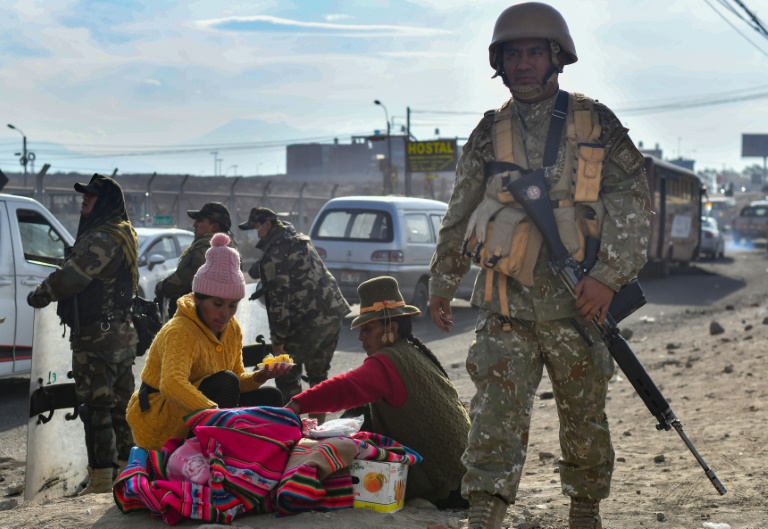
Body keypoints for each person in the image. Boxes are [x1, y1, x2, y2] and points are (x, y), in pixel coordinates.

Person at [427, 3, 651, 529]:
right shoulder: (488, 133)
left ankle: (585, 508)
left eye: (534, 52)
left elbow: (632, 200)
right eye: (512, 53)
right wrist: (442, 282)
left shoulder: (595, 121)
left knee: (584, 416)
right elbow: (459, 214)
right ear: (498, 63)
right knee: (494, 416)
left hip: (581, 304)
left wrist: (607, 277)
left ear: (557, 58)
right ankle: (485, 509)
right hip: (507, 301)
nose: (523, 63)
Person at [286, 276, 470, 509]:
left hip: (449, 485)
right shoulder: (411, 351)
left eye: (368, 328)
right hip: (468, 472)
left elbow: (345, 387)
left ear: (391, 328)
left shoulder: (388, 361)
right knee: (359, 414)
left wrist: (296, 405)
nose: (361, 337)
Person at [27, 173, 140, 495]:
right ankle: (127, 472)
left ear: (104, 201)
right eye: (83, 195)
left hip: (97, 338)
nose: (83, 199)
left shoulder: (102, 237)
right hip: (121, 333)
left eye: (90, 196)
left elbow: (73, 277)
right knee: (120, 406)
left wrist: (42, 293)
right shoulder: (124, 231)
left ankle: (103, 479)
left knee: (98, 408)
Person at [126, 233, 292, 451]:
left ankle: (257, 456)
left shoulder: (232, 330)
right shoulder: (180, 330)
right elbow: (171, 384)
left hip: (203, 411)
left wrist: (261, 376)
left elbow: (238, 378)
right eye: (218, 304)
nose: (225, 314)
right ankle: (222, 456)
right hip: (162, 419)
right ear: (197, 298)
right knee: (225, 382)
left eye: (233, 305)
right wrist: (218, 414)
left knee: (271, 397)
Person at [238, 207, 351, 417]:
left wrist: (278, 340)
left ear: (268, 225)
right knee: (318, 376)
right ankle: (316, 428)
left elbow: (279, 300)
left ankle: (294, 428)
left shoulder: (275, 252)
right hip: (332, 314)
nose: (255, 234)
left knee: (285, 373)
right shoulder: (298, 239)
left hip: (308, 322)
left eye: (256, 228)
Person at [154, 201, 237, 318]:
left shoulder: (209, 250)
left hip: (198, 320)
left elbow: (186, 279)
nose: (194, 225)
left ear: (214, 226)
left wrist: (161, 287)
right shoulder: (227, 247)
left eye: (200, 221)